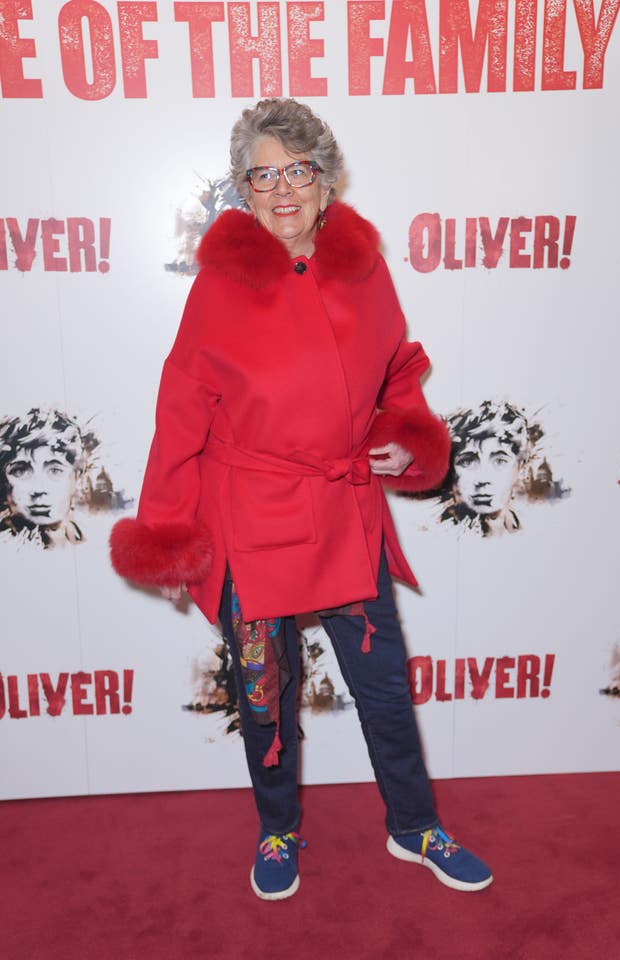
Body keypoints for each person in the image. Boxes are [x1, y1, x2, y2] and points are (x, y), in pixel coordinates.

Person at [111, 98, 492, 900]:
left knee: (383, 681)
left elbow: (398, 369)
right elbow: (179, 411)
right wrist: (170, 531)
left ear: (325, 180)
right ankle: (278, 830)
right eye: (263, 174)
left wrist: (409, 434)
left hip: (344, 510)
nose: (282, 189)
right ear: (242, 190)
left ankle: (415, 826)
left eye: (297, 170)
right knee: (264, 693)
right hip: (248, 518)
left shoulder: (365, 265)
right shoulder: (217, 286)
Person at [0, 408, 94, 548]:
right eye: (20, 471)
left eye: (55, 470)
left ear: (77, 477)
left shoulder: (90, 541)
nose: (39, 489)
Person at [439, 401, 530, 536]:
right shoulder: (434, 533)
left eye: (500, 461)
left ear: (521, 467)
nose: (483, 479)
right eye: (467, 461)